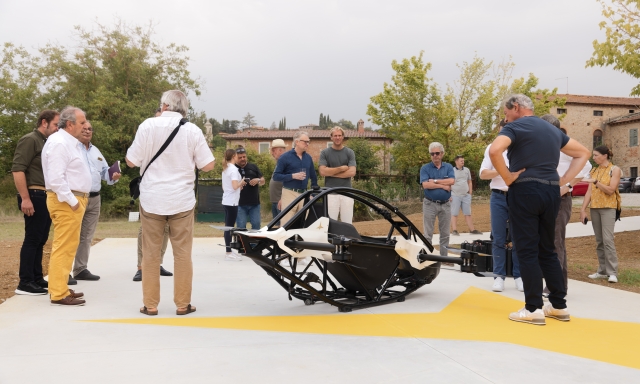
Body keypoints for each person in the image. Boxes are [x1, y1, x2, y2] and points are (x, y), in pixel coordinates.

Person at [490, 94, 589, 325]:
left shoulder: (515, 127)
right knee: (547, 249)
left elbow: (495, 151)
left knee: (526, 249)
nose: (506, 118)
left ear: (516, 107)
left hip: (525, 190)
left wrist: (508, 177)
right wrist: (563, 180)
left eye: (506, 113)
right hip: (551, 192)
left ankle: (533, 308)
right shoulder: (552, 130)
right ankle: (558, 306)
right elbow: (583, 153)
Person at [126, 90, 215, 316]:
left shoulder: (147, 126)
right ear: (184, 109)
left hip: (152, 199)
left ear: (164, 106)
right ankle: (183, 304)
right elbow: (208, 165)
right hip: (182, 201)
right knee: (183, 254)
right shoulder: (193, 130)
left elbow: (130, 161)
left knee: (151, 253)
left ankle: (150, 304)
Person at [42, 106, 92, 306]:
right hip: (66, 201)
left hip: (72, 199)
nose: (85, 126)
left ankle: (61, 286)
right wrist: (73, 203)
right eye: (81, 122)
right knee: (63, 246)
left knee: (69, 246)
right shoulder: (60, 143)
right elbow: (56, 178)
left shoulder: (69, 143)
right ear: (70, 124)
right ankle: (58, 292)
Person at [540, 114, 592, 295]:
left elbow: (586, 168)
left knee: (555, 242)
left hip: (561, 199)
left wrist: (567, 186)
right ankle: (560, 285)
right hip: (544, 198)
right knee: (554, 242)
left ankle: (553, 286)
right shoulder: (543, 147)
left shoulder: (566, 146)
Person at [11, 110, 59, 295]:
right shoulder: (30, 139)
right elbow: (18, 169)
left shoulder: (47, 142)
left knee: (41, 239)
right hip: (34, 194)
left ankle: (37, 278)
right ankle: (25, 282)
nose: (57, 129)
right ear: (44, 122)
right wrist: (25, 198)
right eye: (55, 125)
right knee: (32, 238)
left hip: (45, 194)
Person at [72, 121, 121, 281]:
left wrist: (112, 176)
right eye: (84, 129)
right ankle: (63, 272)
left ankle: (80, 269)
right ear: (77, 129)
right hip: (76, 197)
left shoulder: (95, 151)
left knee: (86, 236)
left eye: (90, 129)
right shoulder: (71, 148)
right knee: (70, 234)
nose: (87, 131)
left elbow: (105, 172)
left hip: (94, 198)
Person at [480, 121, 522, 292]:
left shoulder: (521, 147)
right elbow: (483, 174)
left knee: (519, 238)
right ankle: (499, 277)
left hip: (518, 196)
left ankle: (519, 276)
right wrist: (502, 170)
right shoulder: (492, 148)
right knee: (498, 238)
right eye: (501, 132)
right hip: (498, 196)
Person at [132, 107, 173, 282]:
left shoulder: (173, 137)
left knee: (165, 229)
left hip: (169, 190)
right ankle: (141, 266)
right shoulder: (147, 135)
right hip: (150, 189)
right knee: (146, 230)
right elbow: (133, 159)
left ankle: (157, 263)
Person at [580, 145, 621, 284]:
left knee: (608, 240)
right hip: (595, 208)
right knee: (599, 241)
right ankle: (602, 270)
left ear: (605, 156)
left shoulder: (614, 170)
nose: (594, 157)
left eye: (596, 155)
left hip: (608, 208)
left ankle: (612, 272)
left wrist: (596, 182)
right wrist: (583, 209)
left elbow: (610, 190)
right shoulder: (594, 170)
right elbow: (589, 192)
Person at [273, 131, 318, 226]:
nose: (307, 144)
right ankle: (284, 241)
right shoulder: (285, 157)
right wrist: (293, 176)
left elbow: (313, 177)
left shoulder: (308, 158)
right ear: (296, 142)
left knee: (303, 224)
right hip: (289, 193)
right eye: (305, 141)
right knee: (286, 224)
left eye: (308, 141)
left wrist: (312, 194)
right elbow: (276, 176)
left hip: (304, 194)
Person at [419, 142, 455, 257]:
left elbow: (452, 181)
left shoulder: (448, 167)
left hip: (445, 204)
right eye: (432, 154)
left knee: (445, 233)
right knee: (428, 234)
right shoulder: (425, 168)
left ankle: (444, 258)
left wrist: (434, 181)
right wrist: (443, 186)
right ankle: (428, 258)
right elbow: (425, 185)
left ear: (442, 154)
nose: (435, 155)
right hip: (430, 204)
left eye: (437, 153)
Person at [319, 126, 357, 223]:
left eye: (339, 135)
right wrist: (341, 169)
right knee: (331, 224)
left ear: (343, 137)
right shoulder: (325, 153)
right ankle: (331, 239)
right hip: (331, 194)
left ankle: (348, 238)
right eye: (335, 135)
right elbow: (322, 171)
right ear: (331, 137)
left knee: (347, 223)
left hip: (347, 193)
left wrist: (330, 172)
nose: (337, 137)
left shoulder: (349, 152)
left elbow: (352, 172)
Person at [222, 148, 247, 261]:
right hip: (232, 202)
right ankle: (228, 252)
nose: (238, 157)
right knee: (229, 227)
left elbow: (227, 187)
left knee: (228, 226)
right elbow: (234, 186)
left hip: (227, 200)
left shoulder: (225, 169)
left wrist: (238, 186)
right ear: (233, 157)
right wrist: (242, 182)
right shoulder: (233, 170)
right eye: (237, 155)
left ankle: (229, 251)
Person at [450, 155, 481, 236]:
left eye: (463, 160)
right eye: (461, 161)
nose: (463, 162)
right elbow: (449, 183)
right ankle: (454, 230)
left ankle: (472, 230)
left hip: (466, 195)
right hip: (455, 195)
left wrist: (470, 192)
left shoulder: (467, 170)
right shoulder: (451, 171)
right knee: (454, 213)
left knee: (468, 213)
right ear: (456, 161)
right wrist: (449, 195)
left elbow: (469, 181)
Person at [235, 146, 265, 229]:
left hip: (254, 203)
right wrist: (239, 184)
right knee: (241, 227)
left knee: (256, 225)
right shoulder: (233, 169)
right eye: (240, 157)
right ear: (235, 157)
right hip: (239, 203)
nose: (242, 159)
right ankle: (242, 242)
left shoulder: (253, 167)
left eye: (244, 157)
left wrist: (258, 180)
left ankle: (254, 242)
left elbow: (263, 180)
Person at [269, 139, 287, 225]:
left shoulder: (286, 163)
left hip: (281, 202)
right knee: (276, 228)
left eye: (273, 150)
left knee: (282, 227)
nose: (272, 153)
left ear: (280, 150)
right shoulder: (279, 163)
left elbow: (289, 181)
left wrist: (283, 197)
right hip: (275, 201)